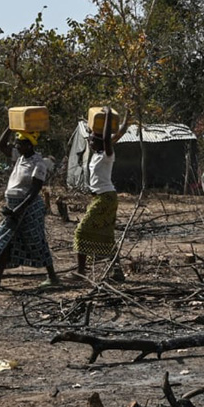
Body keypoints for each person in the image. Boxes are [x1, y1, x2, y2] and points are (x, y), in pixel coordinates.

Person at [0, 128, 58, 288]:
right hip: (13, 207)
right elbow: (0, 145)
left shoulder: (39, 163)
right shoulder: (20, 158)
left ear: (29, 145)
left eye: (19, 143)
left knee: (36, 240)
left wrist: (18, 209)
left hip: (30, 208)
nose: (16, 145)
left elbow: (34, 191)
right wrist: (10, 126)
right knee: (5, 239)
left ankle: (52, 276)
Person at [72, 108, 130, 279]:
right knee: (107, 235)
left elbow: (107, 139)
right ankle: (117, 271)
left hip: (106, 198)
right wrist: (125, 120)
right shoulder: (97, 155)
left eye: (91, 140)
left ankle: (81, 271)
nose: (89, 142)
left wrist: (109, 117)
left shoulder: (107, 154)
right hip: (102, 197)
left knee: (81, 231)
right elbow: (117, 133)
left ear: (98, 141)